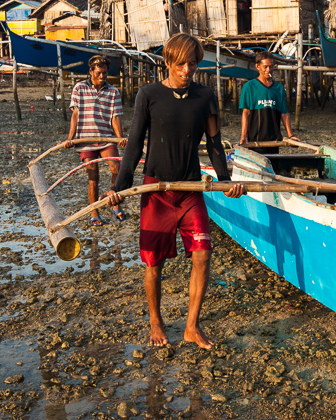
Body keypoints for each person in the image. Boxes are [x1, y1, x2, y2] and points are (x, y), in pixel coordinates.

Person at [109, 34, 245, 349]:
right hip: (156, 190)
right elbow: (133, 145)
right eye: (181, 63)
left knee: (202, 253)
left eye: (193, 63)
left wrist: (225, 181)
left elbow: (214, 144)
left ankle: (191, 327)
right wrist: (119, 189)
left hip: (189, 189)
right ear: (168, 62)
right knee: (154, 262)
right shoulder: (149, 94)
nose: (187, 70)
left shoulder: (205, 96)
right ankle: (156, 322)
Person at [64, 54, 126, 226]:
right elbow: (75, 115)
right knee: (93, 176)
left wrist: (119, 137)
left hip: (106, 138)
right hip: (85, 139)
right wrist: (70, 139)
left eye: (105, 73)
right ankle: (94, 212)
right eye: (99, 73)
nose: (102, 76)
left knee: (117, 168)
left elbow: (115, 117)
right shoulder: (79, 88)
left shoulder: (113, 91)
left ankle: (115, 203)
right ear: (91, 71)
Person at [239, 51, 299, 147]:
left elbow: (284, 113)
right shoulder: (249, 87)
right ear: (258, 66)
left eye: (271, 66)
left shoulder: (279, 88)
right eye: (265, 67)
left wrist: (291, 135)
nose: (268, 70)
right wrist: (243, 135)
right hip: (254, 140)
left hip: (274, 141)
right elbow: (246, 112)